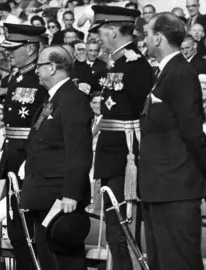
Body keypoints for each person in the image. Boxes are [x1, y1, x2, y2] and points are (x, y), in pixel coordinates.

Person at [89, 5, 154, 270]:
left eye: (101, 32)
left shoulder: (135, 65)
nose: (97, 39)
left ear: (114, 31)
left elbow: (141, 116)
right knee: (115, 229)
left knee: (123, 229)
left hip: (125, 157)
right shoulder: (115, 63)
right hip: (110, 154)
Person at [141, 12, 206, 270]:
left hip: (176, 190)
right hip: (159, 189)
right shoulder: (164, 72)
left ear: (158, 37)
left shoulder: (180, 73)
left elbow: (193, 133)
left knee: (179, 263)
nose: (144, 40)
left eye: (146, 34)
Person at [21, 44, 92, 270]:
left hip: (60, 198)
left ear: (52, 67)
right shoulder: (55, 98)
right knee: (48, 258)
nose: (36, 71)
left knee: (63, 259)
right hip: (43, 194)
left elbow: (78, 151)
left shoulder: (72, 99)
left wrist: (71, 194)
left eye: (40, 66)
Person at [0, 23, 48, 270]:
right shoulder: (17, 76)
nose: (9, 53)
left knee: (29, 229)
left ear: (30, 49)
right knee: (17, 228)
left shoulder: (40, 77)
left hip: (29, 159)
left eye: (14, 48)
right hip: (14, 158)